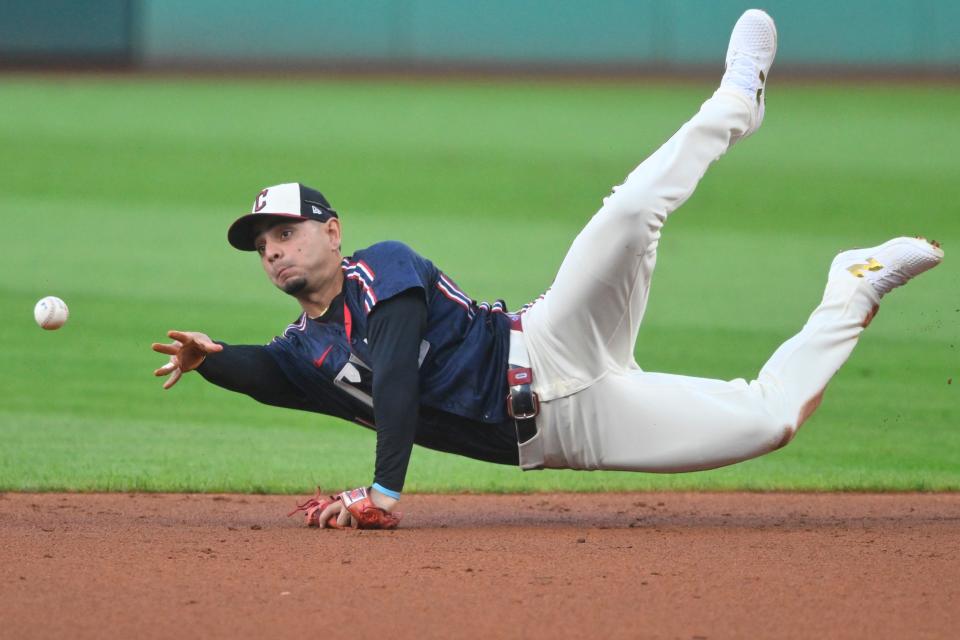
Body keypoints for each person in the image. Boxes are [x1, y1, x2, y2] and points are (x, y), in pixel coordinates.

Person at [152, 9, 943, 529]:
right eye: (261, 245)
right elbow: (267, 372)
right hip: (571, 434)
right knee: (768, 421)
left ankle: (736, 102)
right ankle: (856, 282)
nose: (273, 250)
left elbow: (392, 375)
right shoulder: (305, 349)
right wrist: (212, 359)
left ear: (331, 229)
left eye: (284, 232)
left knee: (631, 212)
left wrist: (383, 492)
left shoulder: (382, 270)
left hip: (552, 344)